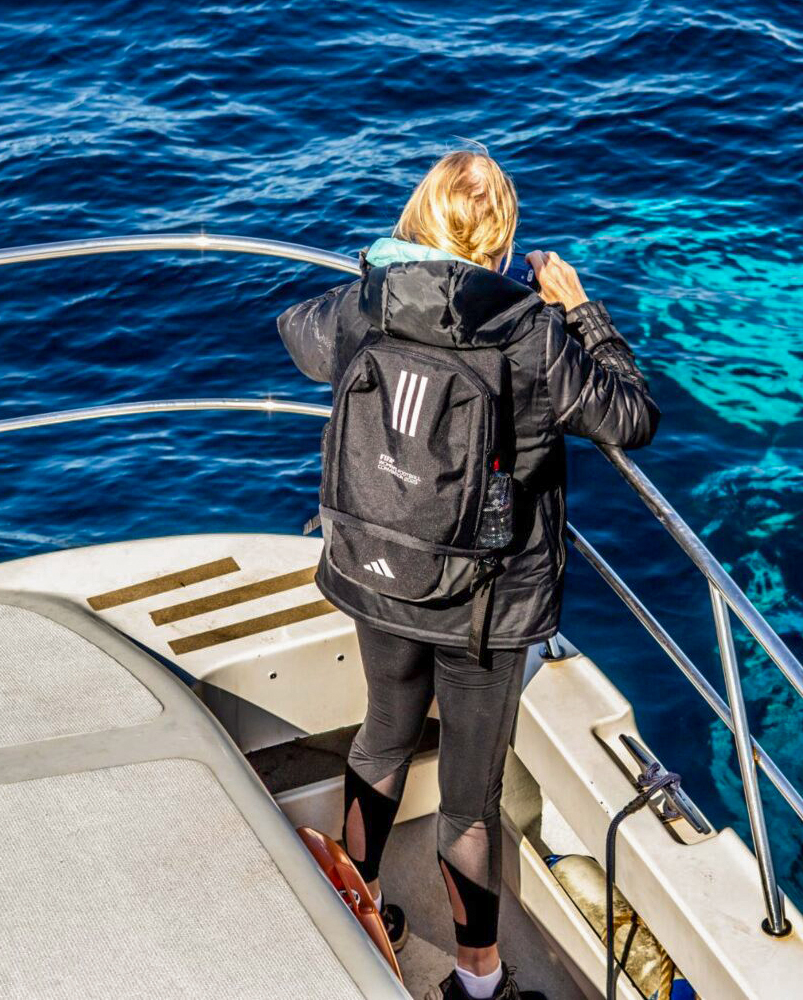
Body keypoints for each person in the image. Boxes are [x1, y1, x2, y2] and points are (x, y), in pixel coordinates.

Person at [276, 150, 659, 1000]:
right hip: (488, 606)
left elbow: (296, 333)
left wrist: (379, 273)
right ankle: (477, 983)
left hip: (376, 569)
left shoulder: (368, 300)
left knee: (381, 736)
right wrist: (583, 311)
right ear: (502, 241)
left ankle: (362, 905)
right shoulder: (532, 330)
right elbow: (632, 416)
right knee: (467, 803)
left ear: (417, 220)